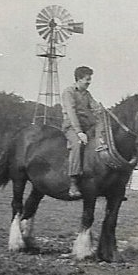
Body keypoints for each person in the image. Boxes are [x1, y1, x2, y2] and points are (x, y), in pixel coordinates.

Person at [61, 66, 99, 198]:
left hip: (87, 126)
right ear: (79, 79)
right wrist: (79, 132)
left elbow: (95, 107)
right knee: (77, 145)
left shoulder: (87, 94)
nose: (89, 82)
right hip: (72, 126)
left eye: (90, 79)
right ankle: (73, 182)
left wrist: (104, 113)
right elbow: (71, 113)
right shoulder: (69, 92)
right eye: (87, 80)